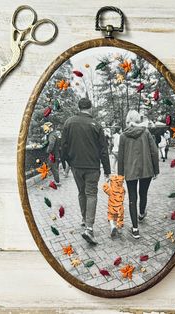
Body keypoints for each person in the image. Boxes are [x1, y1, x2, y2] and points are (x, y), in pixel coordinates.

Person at [61, 98, 111, 245]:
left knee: (81, 192)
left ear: (79, 107)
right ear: (90, 108)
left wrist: (66, 162)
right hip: (93, 167)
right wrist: (107, 170)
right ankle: (89, 227)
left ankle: (84, 219)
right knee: (91, 194)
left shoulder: (69, 122)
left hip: (76, 166)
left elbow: (63, 145)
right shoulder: (96, 125)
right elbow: (103, 150)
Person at [118, 110, 159, 239]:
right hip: (146, 169)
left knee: (132, 198)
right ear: (138, 120)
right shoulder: (146, 132)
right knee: (143, 193)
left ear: (127, 120)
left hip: (130, 171)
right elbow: (154, 152)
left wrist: (120, 175)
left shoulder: (123, 136)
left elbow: (121, 157)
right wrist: (156, 169)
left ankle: (135, 229)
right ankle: (141, 214)